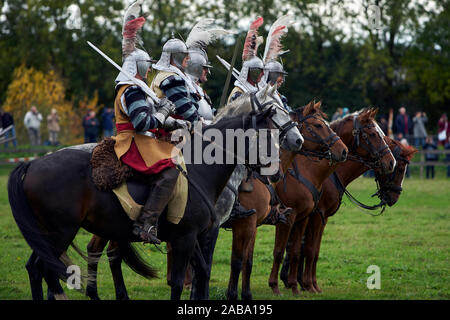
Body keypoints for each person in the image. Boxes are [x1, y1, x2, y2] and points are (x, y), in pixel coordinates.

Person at [116, 2, 193, 244]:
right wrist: (162, 113)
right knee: (171, 171)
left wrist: (171, 122)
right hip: (133, 142)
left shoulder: (136, 88)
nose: (149, 69)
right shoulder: (132, 91)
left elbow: (154, 120)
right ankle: (145, 224)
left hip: (141, 139)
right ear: (137, 66)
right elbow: (142, 123)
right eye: (145, 65)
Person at [227, 17, 265, 104]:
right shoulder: (238, 93)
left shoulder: (256, 90)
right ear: (250, 71)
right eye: (260, 70)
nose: (262, 73)